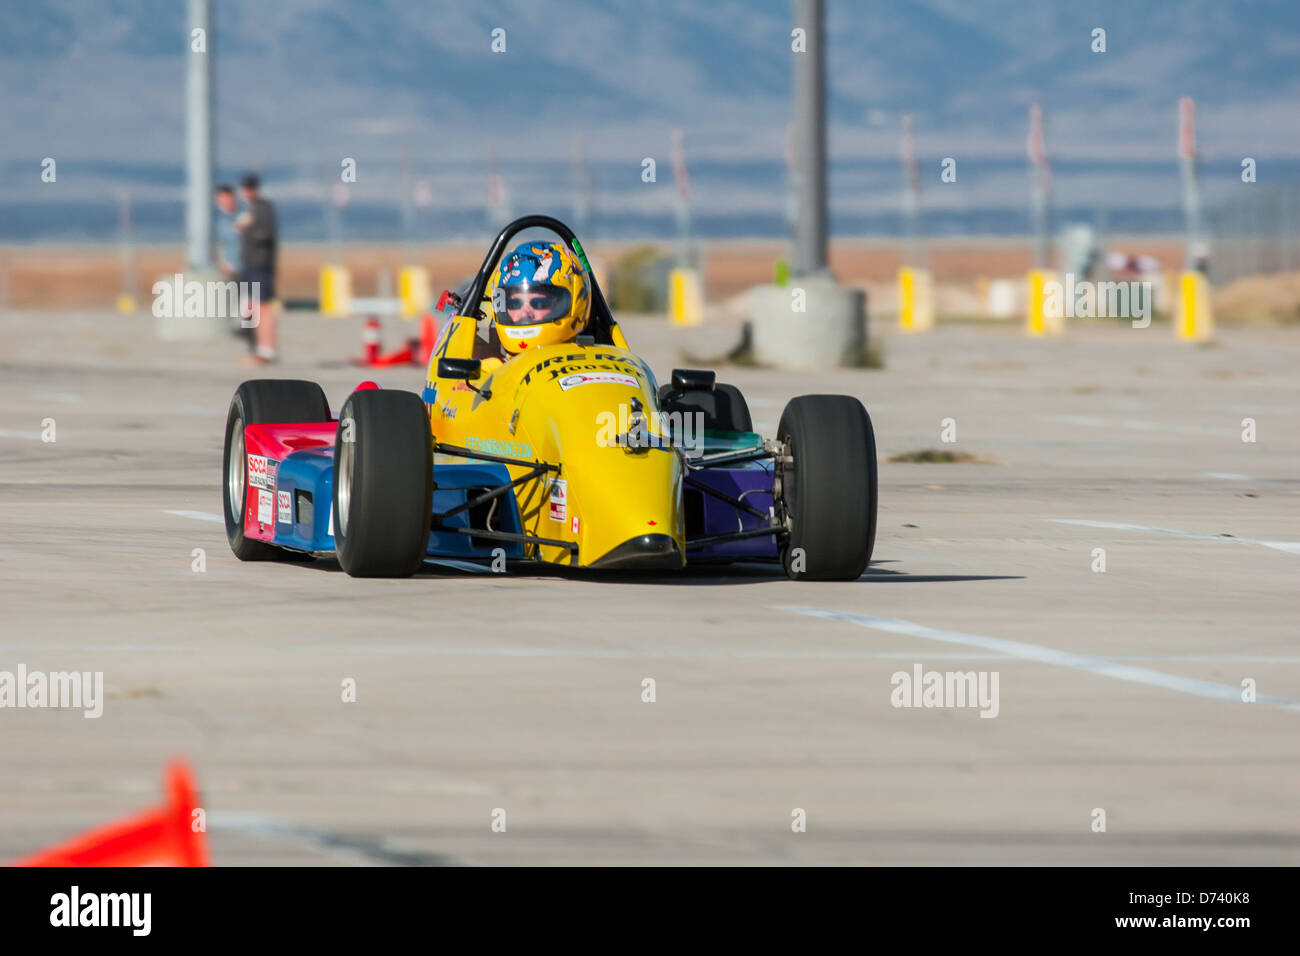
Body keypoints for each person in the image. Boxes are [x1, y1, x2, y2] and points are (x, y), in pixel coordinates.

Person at [480, 241, 590, 364]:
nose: (525, 313)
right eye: (514, 304)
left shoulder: (597, 360)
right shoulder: (486, 372)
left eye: (539, 303)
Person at [234, 173, 279, 365]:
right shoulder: (250, 209)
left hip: (261, 265)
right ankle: (258, 348)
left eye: (250, 188)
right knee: (250, 308)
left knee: (262, 308)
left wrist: (247, 230)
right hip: (251, 265)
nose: (247, 192)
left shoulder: (263, 208)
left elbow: (266, 234)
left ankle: (266, 351)